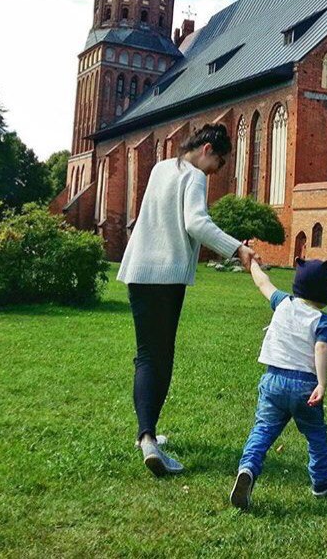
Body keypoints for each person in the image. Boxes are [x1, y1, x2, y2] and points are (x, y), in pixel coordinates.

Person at [118, 123, 257, 477]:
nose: (216, 172)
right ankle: (149, 440)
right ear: (208, 149)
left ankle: (146, 434)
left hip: (137, 272)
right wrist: (237, 248)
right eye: (220, 164)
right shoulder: (194, 176)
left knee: (146, 354)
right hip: (166, 276)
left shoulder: (160, 168)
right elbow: (196, 223)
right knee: (160, 357)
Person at [230, 257, 327, 510]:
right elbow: (321, 348)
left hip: (273, 381)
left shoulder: (282, 303)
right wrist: (322, 384)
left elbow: (262, 283)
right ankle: (321, 480)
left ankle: (248, 468)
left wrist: (253, 263)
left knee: (263, 430)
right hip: (304, 387)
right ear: (325, 293)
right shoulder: (322, 320)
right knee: (315, 434)